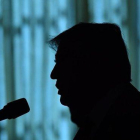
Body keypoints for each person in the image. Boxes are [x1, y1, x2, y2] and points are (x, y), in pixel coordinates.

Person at [49, 22, 140, 139]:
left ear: (91, 65)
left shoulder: (130, 122)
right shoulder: (96, 121)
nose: (53, 74)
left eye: (63, 63)